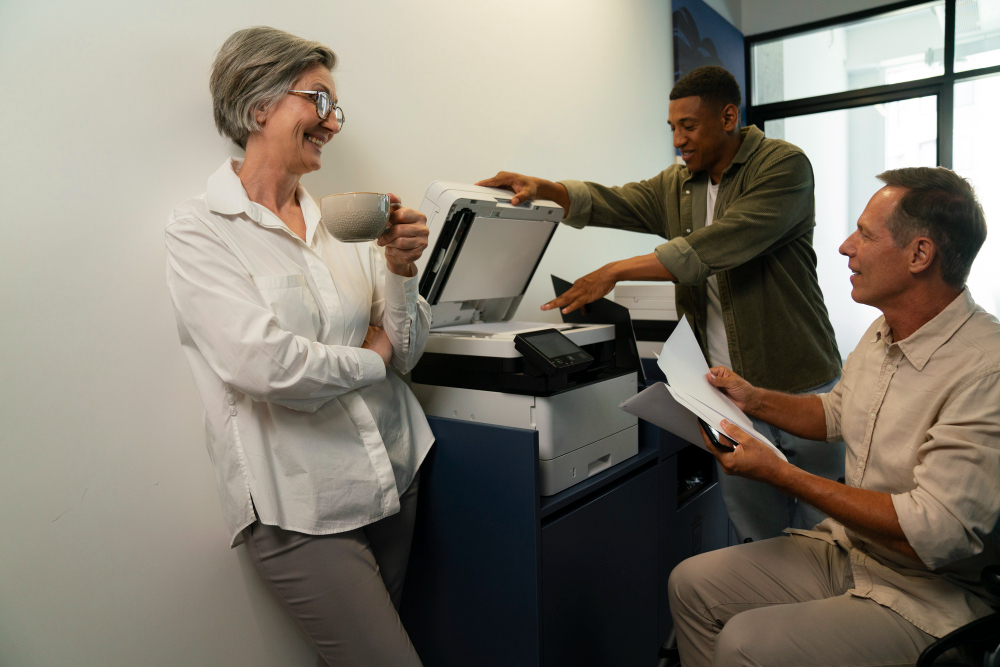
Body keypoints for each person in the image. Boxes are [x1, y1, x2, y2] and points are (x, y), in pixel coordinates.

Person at [478, 66, 843, 543]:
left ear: (728, 117)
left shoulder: (782, 166)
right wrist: (545, 189)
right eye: (672, 128)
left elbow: (718, 246)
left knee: (826, 530)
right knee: (756, 534)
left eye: (687, 126)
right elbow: (613, 201)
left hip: (801, 382)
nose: (678, 140)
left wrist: (613, 271)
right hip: (727, 394)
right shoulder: (678, 185)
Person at [165, 27, 432, 666]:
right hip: (302, 505)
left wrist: (398, 268)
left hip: (397, 472)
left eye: (335, 108)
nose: (332, 123)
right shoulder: (199, 230)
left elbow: (411, 347)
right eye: (318, 101)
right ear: (259, 105)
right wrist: (374, 359)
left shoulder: (344, 220)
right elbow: (264, 364)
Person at [668, 166, 999, 666]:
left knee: (745, 641)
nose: (846, 246)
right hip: (852, 551)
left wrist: (783, 475)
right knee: (690, 582)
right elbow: (836, 411)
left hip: (929, 594)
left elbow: (932, 531)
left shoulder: (985, 367)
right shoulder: (883, 332)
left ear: (919, 255)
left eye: (865, 234)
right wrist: (752, 399)